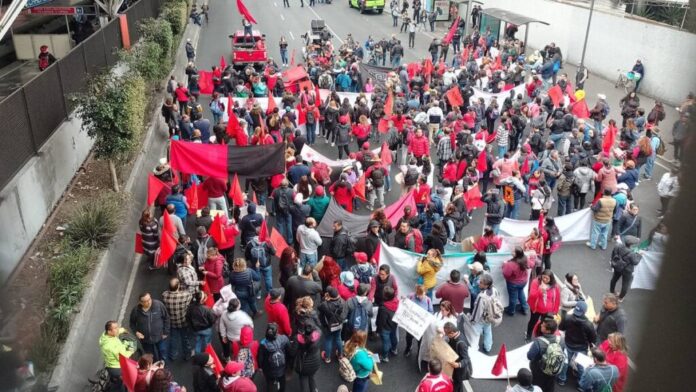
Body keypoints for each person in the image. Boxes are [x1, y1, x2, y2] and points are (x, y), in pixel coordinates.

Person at [557, 302, 596, 386]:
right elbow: (593, 339)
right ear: (585, 311)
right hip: (582, 348)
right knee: (581, 366)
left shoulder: (567, 317)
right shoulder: (589, 324)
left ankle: (562, 379)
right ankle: (581, 383)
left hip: (568, 344)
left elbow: (561, 328)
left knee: (565, 362)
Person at [129, 292, 170, 362]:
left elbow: (166, 318)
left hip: (160, 336)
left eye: (149, 299)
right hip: (146, 339)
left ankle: (163, 365)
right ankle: (154, 366)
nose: (149, 302)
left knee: (162, 351)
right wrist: (136, 332)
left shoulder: (158, 305)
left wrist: (165, 332)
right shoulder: (136, 311)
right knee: (150, 355)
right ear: (141, 302)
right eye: (146, 301)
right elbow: (132, 323)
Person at [527, 318, 565, 392]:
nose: (541, 325)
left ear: (548, 330)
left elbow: (529, 356)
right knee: (550, 385)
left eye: (543, 326)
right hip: (554, 368)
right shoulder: (561, 339)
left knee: (537, 386)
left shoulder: (539, 342)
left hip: (540, 369)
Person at [99, 321, 136, 391]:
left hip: (110, 365)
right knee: (125, 383)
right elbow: (123, 357)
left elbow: (116, 332)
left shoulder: (104, 336)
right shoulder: (112, 346)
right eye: (116, 328)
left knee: (118, 382)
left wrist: (122, 330)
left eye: (118, 327)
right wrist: (131, 351)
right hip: (117, 368)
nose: (118, 329)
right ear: (109, 331)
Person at [162, 278, 193, 362]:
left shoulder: (164, 295)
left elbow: (166, 293)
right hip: (183, 321)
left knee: (173, 339)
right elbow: (189, 296)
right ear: (178, 286)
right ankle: (187, 355)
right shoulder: (186, 295)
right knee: (185, 339)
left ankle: (173, 355)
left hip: (172, 322)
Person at [526, 270, 561, 342]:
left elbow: (557, 299)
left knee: (543, 324)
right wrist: (540, 290)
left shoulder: (555, 286)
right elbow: (532, 295)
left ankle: (540, 336)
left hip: (548, 311)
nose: (544, 280)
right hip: (536, 309)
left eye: (547, 278)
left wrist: (555, 310)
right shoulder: (536, 282)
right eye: (543, 277)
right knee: (533, 322)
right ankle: (528, 336)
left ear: (551, 279)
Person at [468, 273, 497, 353]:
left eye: (481, 282)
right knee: (488, 331)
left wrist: (472, 320)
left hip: (481, 318)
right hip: (490, 316)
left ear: (486, 285)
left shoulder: (481, 296)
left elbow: (478, 311)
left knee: (475, 333)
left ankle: (473, 349)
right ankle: (488, 347)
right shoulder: (494, 290)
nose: (478, 283)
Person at [502, 247, 534, 316]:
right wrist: (532, 257)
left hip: (513, 283)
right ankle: (525, 308)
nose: (511, 251)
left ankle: (511, 311)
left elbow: (506, 274)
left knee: (513, 297)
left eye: (513, 251)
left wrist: (504, 265)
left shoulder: (510, 264)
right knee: (521, 293)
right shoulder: (525, 259)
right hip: (523, 282)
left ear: (516, 254)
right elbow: (532, 264)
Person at [318, 286, 346, 363]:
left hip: (328, 326)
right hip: (339, 324)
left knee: (328, 339)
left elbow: (319, 307)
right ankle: (340, 355)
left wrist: (324, 299)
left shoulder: (325, 304)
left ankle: (327, 358)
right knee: (338, 338)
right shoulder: (342, 301)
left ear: (329, 295)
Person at [258, 323, 290, 392]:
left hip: (269, 369)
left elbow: (260, 358)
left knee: (270, 382)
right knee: (282, 380)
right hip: (282, 366)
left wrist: (260, 367)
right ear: (277, 332)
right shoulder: (284, 338)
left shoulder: (263, 344)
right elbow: (289, 350)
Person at [291, 324, 322, 392]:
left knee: (303, 378)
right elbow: (318, 327)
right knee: (311, 376)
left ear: (304, 332)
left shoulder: (298, 338)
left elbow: (292, 353)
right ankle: (314, 390)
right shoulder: (318, 335)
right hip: (315, 362)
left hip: (303, 365)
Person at [609, 236, 642, 300]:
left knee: (614, 279)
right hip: (627, 270)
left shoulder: (617, 246)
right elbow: (635, 262)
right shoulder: (632, 253)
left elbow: (613, 254)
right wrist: (639, 255)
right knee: (625, 284)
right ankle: (620, 298)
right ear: (632, 245)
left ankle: (612, 292)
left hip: (618, 266)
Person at [443, 322, 472, 392]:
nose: (446, 336)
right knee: (458, 384)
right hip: (456, 367)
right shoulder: (457, 333)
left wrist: (459, 364)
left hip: (459, 370)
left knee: (456, 385)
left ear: (452, 333)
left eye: (447, 334)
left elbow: (466, 359)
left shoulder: (461, 344)